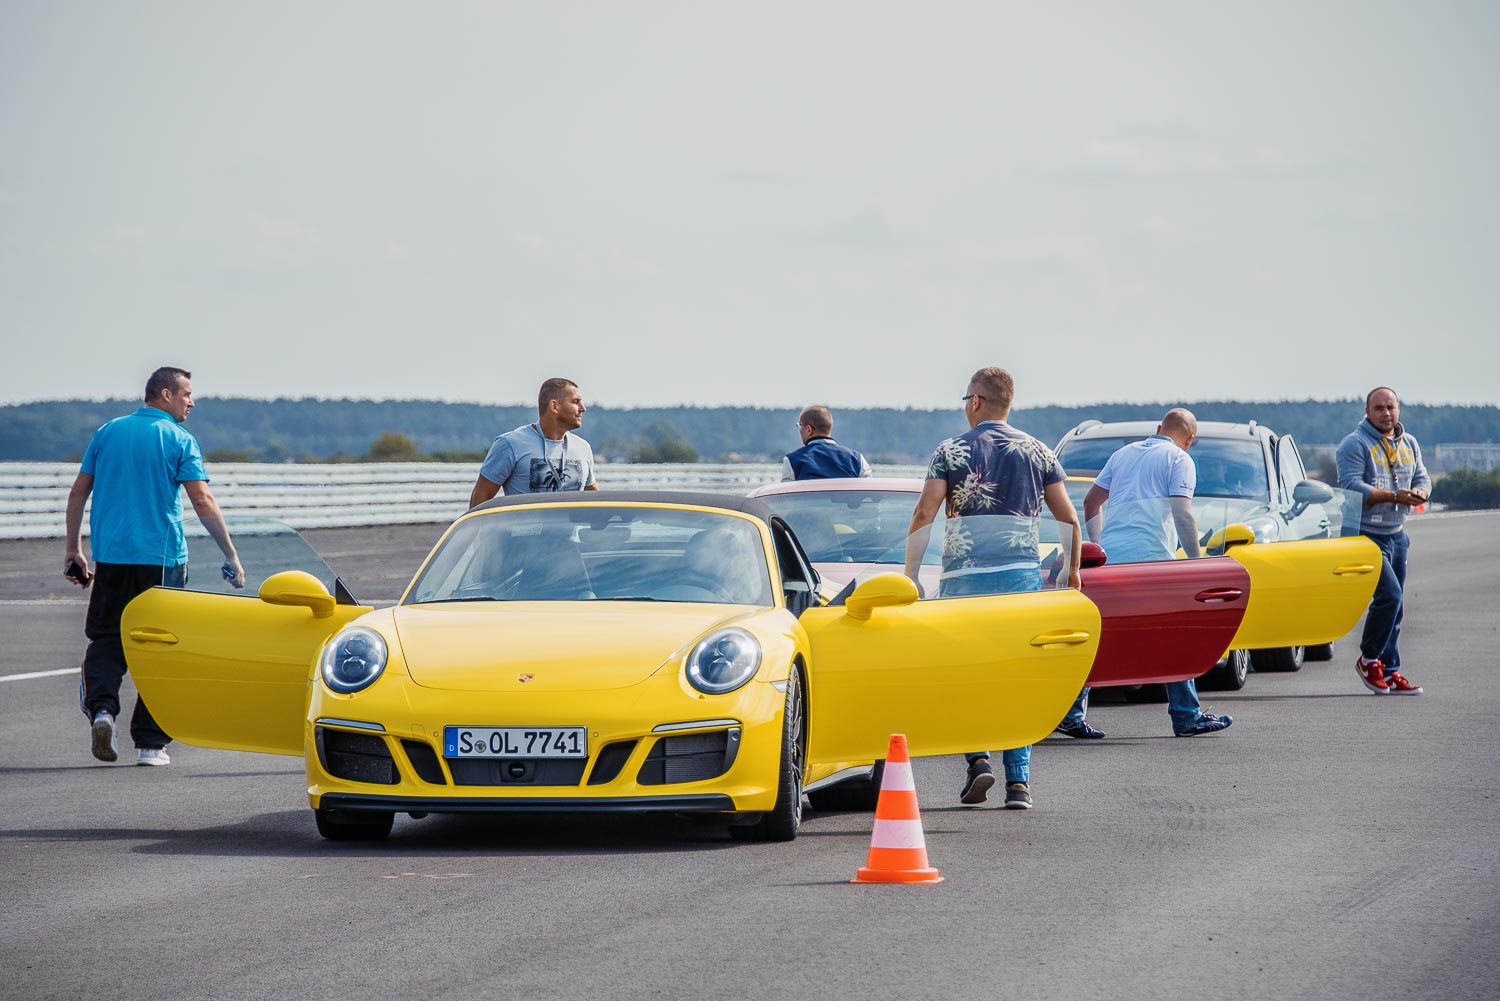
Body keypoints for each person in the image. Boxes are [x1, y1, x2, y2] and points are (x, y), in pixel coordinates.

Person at [903, 368, 1081, 810]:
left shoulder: (949, 449)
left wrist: (910, 574)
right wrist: (1070, 571)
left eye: (966, 399)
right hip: (1019, 582)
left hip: (963, 581)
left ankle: (978, 758)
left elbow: (925, 512)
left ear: (976, 402)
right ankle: (1018, 783)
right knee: (1016, 679)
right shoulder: (1037, 451)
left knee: (966, 674)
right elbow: (1069, 520)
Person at [64, 367, 245, 767]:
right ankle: (150, 744)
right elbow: (202, 502)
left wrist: (73, 549)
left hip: (111, 558)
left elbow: (78, 492)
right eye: (187, 394)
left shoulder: (107, 432)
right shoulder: (180, 439)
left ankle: (102, 711)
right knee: (162, 647)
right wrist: (230, 553)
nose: (191, 402)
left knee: (108, 640)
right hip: (162, 562)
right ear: (165, 395)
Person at [1065, 408, 1233, 738]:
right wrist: (1197, 563)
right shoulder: (1179, 459)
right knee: (1173, 633)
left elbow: (1090, 502)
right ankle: (1186, 716)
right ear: (1190, 439)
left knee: (1104, 636)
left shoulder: (1122, 453)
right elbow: (1182, 512)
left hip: (1112, 558)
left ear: (1158, 428)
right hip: (1152, 559)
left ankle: (1070, 713)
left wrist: (1099, 545)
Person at [1337, 387, 1430, 695]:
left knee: (1397, 605)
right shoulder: (1355, 444)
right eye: (1378, 408)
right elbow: (1351, 487)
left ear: (1398, 410)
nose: (1385, 413)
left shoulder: (1410, 443)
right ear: (1367, 412)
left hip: (1396, 534)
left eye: (1390, 407)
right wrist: (1393, 496)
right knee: (1388, 596)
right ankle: (1369, 659)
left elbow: (1422, 477)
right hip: (1364, 535)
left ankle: (1390, 670)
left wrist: (1422, 492)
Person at [470, 378, 599, 506]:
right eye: (575, 402)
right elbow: (481, 496)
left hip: (568, 527)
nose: (583, 408)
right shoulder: (510, 444)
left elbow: (595, 500)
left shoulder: (583, 448)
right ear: (554, 406)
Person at [780, 405, 873, 481]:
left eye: (799, 425)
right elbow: (869, 493)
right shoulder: (857, 459)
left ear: (809, 429)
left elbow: (786, 501)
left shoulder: (792, 461)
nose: (799, 429)